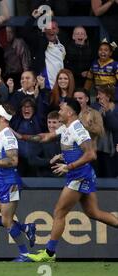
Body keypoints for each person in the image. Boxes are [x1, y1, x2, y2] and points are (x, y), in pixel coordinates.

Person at [17, 98, 118, 262]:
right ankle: (49, 253)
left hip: (78, 175)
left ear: (70, 112)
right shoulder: (66, 127)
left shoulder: (77, 129)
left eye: (62, 109)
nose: (59, 111)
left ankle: (49, 253)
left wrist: (68, 167)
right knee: (94, 212)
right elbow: (45, 137)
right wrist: (21, 136)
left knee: (59, 212)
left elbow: (91, 154)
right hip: (81, 174)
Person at [0, 103, 36, 262]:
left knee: (6, 221)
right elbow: (1, 159)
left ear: (3, 118)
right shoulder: (0, 135)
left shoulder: (8, 136)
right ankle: (26, 227)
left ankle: (24, 254)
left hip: (10, 182)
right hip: (0, 182)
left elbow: (13, 161)